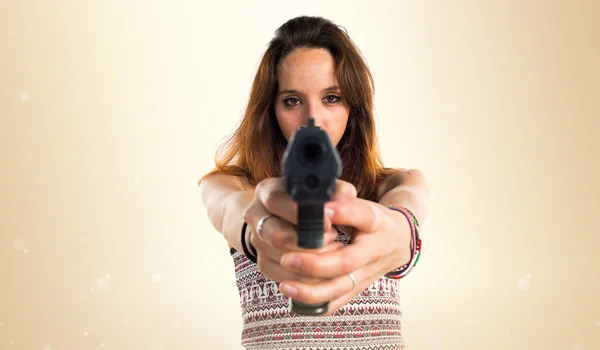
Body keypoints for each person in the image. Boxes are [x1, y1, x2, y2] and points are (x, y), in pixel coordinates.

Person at [198, 15, 429, 350]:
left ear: (354, 107)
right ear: (271, 109)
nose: (312, 119)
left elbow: (411, 204)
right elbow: (231, 208)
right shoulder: (231, 186)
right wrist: (260, 228)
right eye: (292, 100)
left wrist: (399, 229)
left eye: (331, 97)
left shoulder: (391, 186)